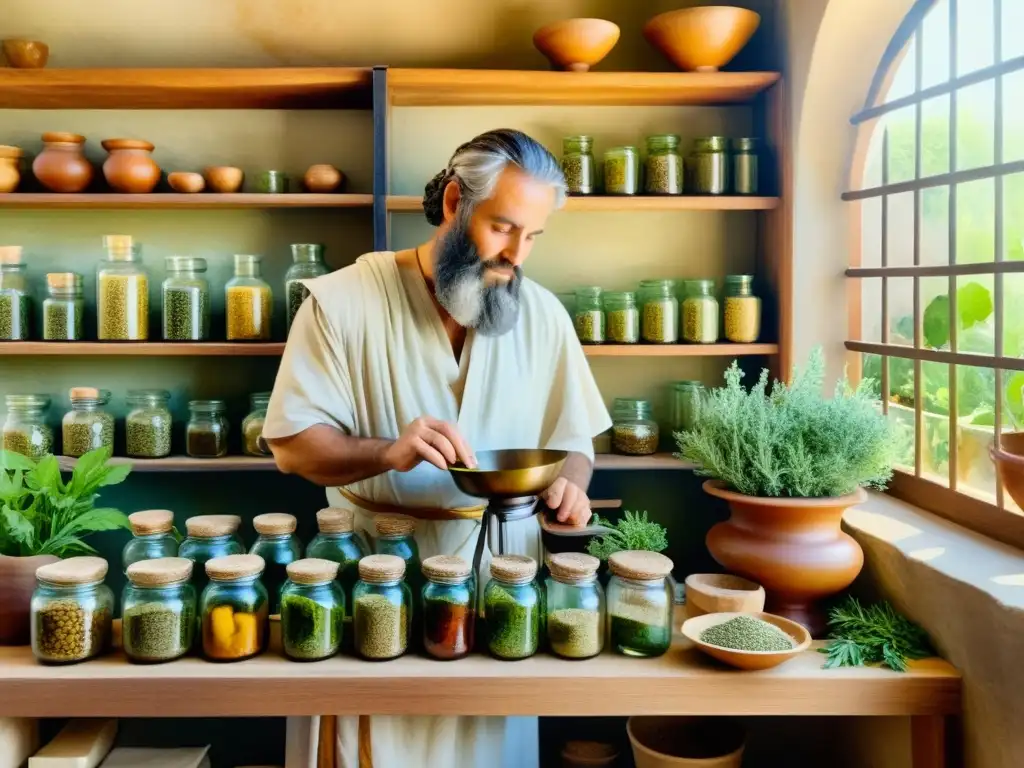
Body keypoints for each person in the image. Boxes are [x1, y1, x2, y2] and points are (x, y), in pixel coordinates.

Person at [263, 128, 611, 768]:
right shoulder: (342, 302)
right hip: (373, 575)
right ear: (455, 202)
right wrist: (386, 452)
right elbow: (293, 448)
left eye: (533, 236)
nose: (517, 255)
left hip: (502, 582)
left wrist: (573, 485)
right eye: (504, 228)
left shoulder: (542, 315)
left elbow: (573, 442)